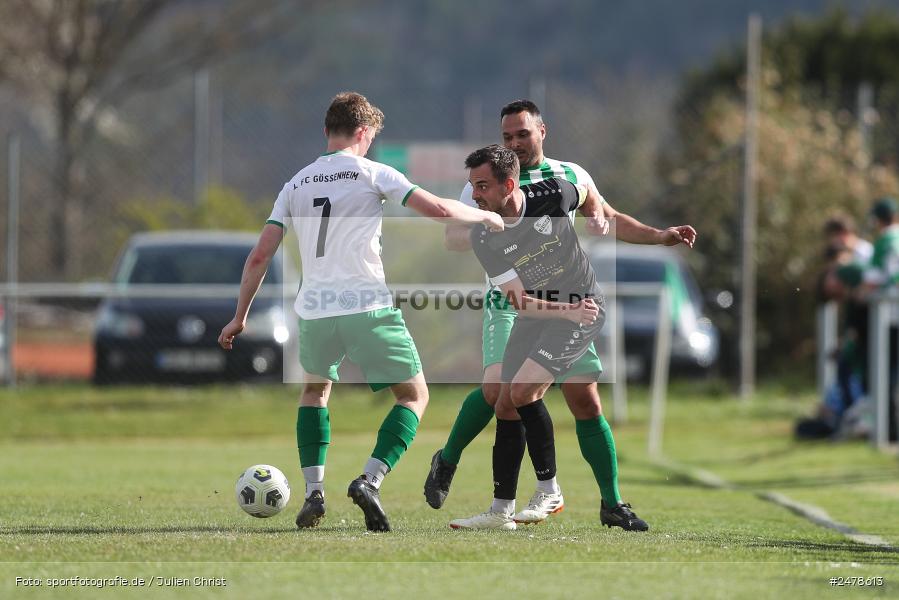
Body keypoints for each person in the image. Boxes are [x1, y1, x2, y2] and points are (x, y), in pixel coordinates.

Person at [218, 92, 503, 532]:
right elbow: (441, 210)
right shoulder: (373, 173)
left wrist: (240, 316)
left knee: (315, 391)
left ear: (327, 132)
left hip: (313, 311)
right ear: (364, 133)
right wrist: (485, 219)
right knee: (414, 395)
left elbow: (259, 256)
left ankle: (314, 491)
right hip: (366, 305)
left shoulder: (295, 184)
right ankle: (370, 479)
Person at [426, 100, 696, 530]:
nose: (513, 142)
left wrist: (660, 236)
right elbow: (453, 239)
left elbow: (606, 215)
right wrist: (486, 221)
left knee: (584, 401)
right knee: (501, 391)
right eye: (507, 136)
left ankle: (612, 503)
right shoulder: (485, 181)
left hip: (571, 301)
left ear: (542, 132)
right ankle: (453, 461)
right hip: (512, 301)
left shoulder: (568, 177)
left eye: (522, 135)